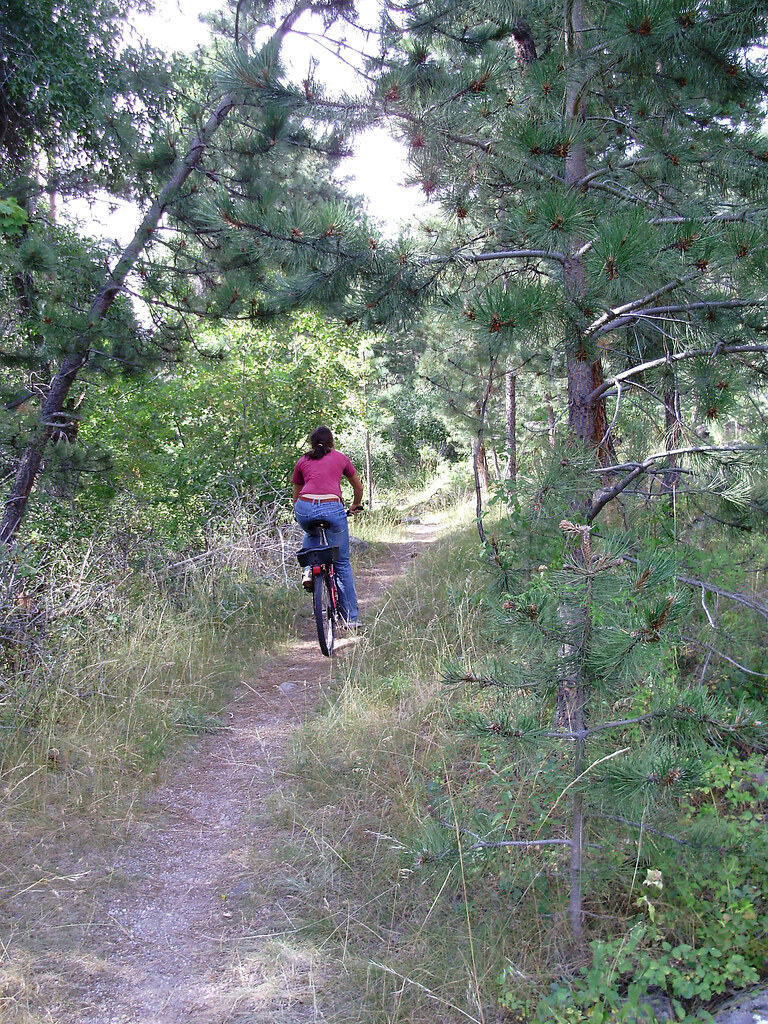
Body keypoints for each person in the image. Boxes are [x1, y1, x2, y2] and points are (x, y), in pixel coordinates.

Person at [292, 426, 364, 628]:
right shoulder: (340, 457)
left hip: (304, 506)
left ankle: (308, 569)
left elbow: (296, 495)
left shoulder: (303, 460)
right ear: (332, 442)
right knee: (341, 563)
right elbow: (358, 486)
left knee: (311, 531)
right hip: (332, 507)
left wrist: (302, 513)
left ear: (311, 443)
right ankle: (351, 619)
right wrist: (355, 504)